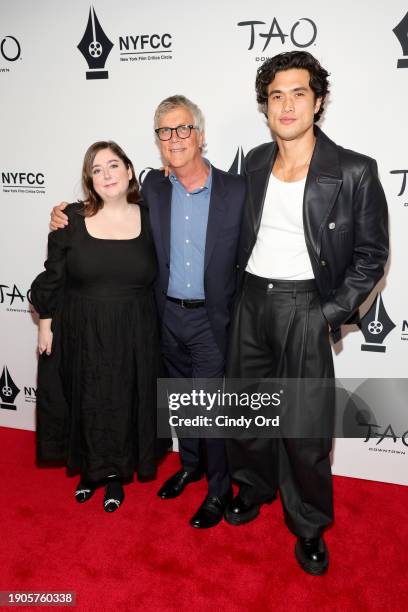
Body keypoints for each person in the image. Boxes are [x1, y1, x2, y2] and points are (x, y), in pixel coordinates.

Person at [224, 51, 389, 574]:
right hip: (250, 300)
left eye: (298, 93)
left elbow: (371, 257)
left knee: (305, 428)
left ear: (318, 101)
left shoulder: (353, 170)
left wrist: (327, 314)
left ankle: (310, 524)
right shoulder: (250, 163)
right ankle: (252, 488)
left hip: (305, 307)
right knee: (247, 412)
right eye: (276, 96)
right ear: (265, 107)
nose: (286, 104)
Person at [50, 96, 246, 529]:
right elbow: (106, 212)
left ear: (200, 134)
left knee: (210, 407)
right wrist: (63, 214)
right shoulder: (154, 188)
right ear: (157, 141)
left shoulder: (235, 189)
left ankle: (218, 489)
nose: (174, 139)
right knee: (180, 402)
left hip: (212, 320)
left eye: (182, 129)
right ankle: (190, 466)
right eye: (164, 132)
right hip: (164, 317)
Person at [32, 141, 167, 512]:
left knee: (124, 399)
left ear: (128, 171)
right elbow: (53, 276)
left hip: (135, 330)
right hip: (81, 326)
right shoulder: (70, 219)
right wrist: (46, 322)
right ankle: (90, 471)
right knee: (87, 396)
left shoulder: (153, 217)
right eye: (96, 170)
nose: (106, 175)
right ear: (90, 181)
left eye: (113, 165)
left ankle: (114, 477)